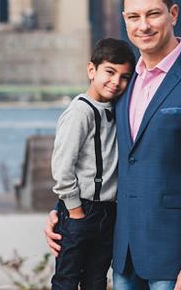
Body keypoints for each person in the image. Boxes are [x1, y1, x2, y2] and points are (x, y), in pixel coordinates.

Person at [45, 0, 181, 290]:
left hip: (177, 259)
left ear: (173, 14)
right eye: (134, 17)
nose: (144, 26)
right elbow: (103, 160)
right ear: (124, 20)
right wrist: (66, 214)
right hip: (124, 253)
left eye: (153, 14)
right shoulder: (124, 85)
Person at [50, 38, 136, 290]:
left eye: (124, 77)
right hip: (82, 209)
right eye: (109, 72)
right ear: (92, 70)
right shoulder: (80, 112)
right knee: (67, 280)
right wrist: (75, 210)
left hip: (108, 212)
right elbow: (62, 166)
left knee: (96, 281)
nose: (116, 82)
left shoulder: (115, 108)